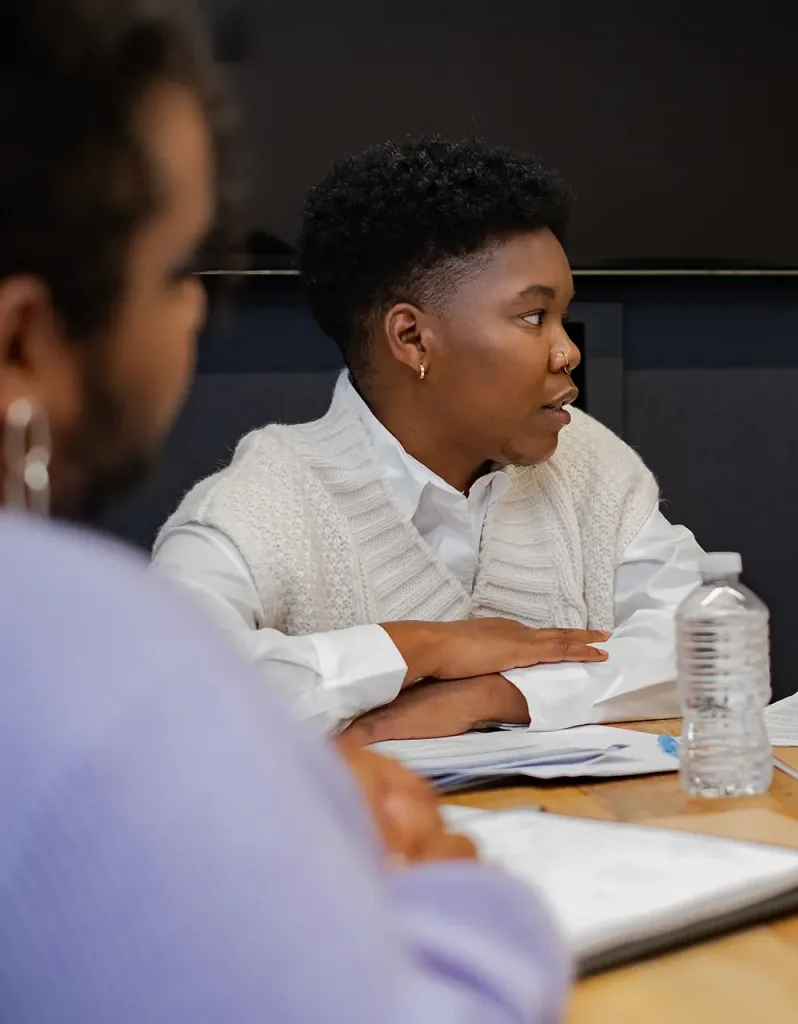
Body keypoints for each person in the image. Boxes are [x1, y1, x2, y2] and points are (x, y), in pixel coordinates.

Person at [0, 2, 566, 1020]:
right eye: (178, 270)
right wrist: (445, 883)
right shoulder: (95, 641)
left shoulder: (588, 468)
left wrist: (483, 698)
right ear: (23, 345)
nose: (204, 309)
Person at [152, 138, 704, 741]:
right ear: (412, 338)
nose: (568, 350)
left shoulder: (588, 462)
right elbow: (168, 690)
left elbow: (710, 644)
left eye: (563, 317)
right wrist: (425, 647)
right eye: (531, 317)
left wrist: (493, 695)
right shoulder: (259, 504)